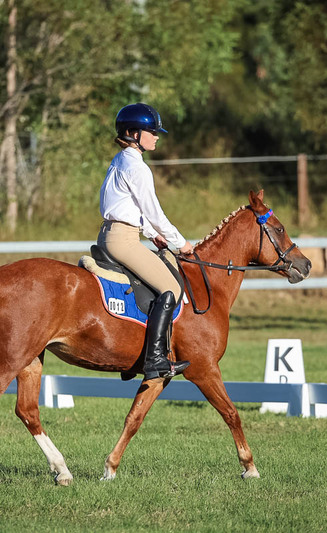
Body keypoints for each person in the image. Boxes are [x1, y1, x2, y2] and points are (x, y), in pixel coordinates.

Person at [98, 102, 193, 380]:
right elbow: (154, 212)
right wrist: (181, 243)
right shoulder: (138, 168)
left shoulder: (120, 160)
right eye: (151, 131)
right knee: (171, 288)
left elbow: (131, 208)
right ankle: (155, 360)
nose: (157, 136)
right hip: (123, 240)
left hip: (111, 234)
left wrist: (153, 236)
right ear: (133, 133)